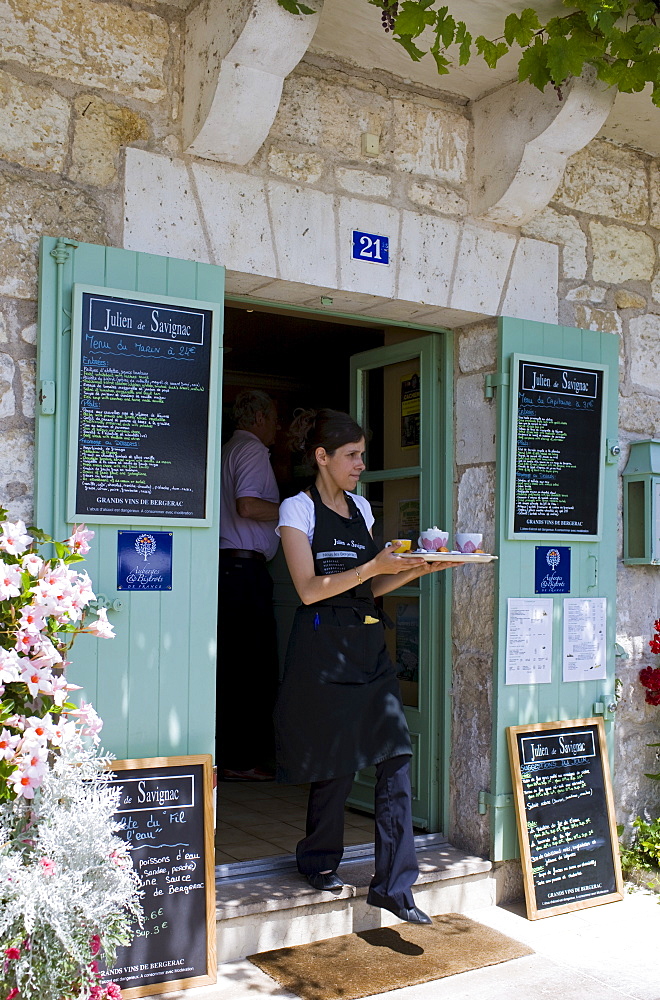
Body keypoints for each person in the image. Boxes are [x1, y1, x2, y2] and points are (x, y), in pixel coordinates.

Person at [274, 408, 461, 924]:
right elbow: (310, 591)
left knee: (396, 755)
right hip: (322, 646)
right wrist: (374, 565)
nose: (360, 465)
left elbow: (374, 585)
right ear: (322, 457)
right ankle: (317, 859)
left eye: (362, 455)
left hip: (368, 644)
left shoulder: (361, 509)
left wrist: (422, 567)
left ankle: (395, 887)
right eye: (352, 456)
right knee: (334, 763)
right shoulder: (297, 510)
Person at [217, 389, 280, 781]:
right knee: (251, 667)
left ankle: (229, 754)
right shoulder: (253, 450)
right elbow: (248, 505)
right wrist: (297, 509)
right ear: (258, 418)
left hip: (227, 570)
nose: (277, 426)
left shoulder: (227, 449)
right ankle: (242, 759)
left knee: (232, 665)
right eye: (273, 418)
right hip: (244, 571)